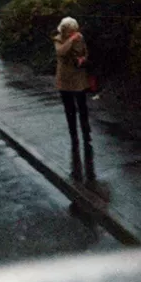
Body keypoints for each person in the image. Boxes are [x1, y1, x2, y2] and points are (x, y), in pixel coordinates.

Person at [54, 17, 96, 182]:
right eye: (70, 31)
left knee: (83, 107)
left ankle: (86, 134)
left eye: (74, 30)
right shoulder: (58, 40)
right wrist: (71, 40)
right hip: (64, 79)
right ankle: (74, 136)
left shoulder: (80, 38)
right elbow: (60, 52)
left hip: (78, 78)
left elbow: (85, 51)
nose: (74, 33)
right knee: (69, 109)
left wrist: (83, 59)